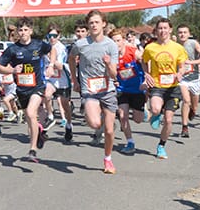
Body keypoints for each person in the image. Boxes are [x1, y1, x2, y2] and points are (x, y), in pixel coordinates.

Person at [69, 10, 120, 173]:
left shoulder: (111, 45)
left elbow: (114, 74)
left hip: (108, 90)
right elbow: (71, 59)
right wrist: (74, 79)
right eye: (91, 23)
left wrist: (108, 64)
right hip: (89, 89)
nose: (94, 25)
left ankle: (108, 159)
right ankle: (92, 115)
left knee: (110, 130)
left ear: (103, 24)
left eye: (97, 22)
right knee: (95, 123)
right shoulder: (80, 44)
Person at [0, 17, 52, 163]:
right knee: (30, 120)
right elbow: (0, 67)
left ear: (31, 31)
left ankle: (32, 150)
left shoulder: (39, 45)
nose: (23, 33)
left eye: (26, 30)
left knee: (30, 112)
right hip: (22, 90)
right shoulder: (13, 49)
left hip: (38, 86)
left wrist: (51, 65)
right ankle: (40, 133)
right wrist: (12, 70)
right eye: (20, 30)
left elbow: (51, 50)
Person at [141, 18, 188, 160]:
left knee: (168, 120)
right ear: (156, 31)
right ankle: (156, 114)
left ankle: (161, 145)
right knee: (155, 109)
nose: (162, 31)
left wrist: (180, 73)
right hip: (157, 85)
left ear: (170, 30)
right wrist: (146, 73)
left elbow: (182, 65)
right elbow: (143, 62)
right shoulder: (150, 48)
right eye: (160, 28)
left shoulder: (178, 48)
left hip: (173, 88)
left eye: (165, 28)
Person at [109, 27, 146, 154]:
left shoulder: (133, 51)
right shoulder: (111, 56)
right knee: (123, 116)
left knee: (138, 119)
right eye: (113, 41)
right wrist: (112, 80)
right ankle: (130, 142)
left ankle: (145, 111)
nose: (116, 44)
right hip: (122, 90)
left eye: (118, 40)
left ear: (124, 41)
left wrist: (147, 77)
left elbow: (146, 61)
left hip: (137, 89)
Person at [42, 25, 74, 142]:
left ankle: (69, 125)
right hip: (51, 79)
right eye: (49, 36)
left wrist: (52, 60)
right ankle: (50, 116)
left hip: (63, 80)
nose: (52, 38)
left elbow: (61, 65)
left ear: (59, 36)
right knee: (47, 94)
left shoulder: (62, 49)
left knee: (66, 106)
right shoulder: (45, 47)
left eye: (54, 36)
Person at [177, 24, 200, 138]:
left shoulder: (193, 43)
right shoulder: (174, 45)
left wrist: (191, 63)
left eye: (185, 32)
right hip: (182, 78)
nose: (182, 34)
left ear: (189, 34)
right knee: (186, 101)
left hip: (194, 77)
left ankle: (193, 111)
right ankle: (184, 127)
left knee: (194, 106)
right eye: (180, 32)